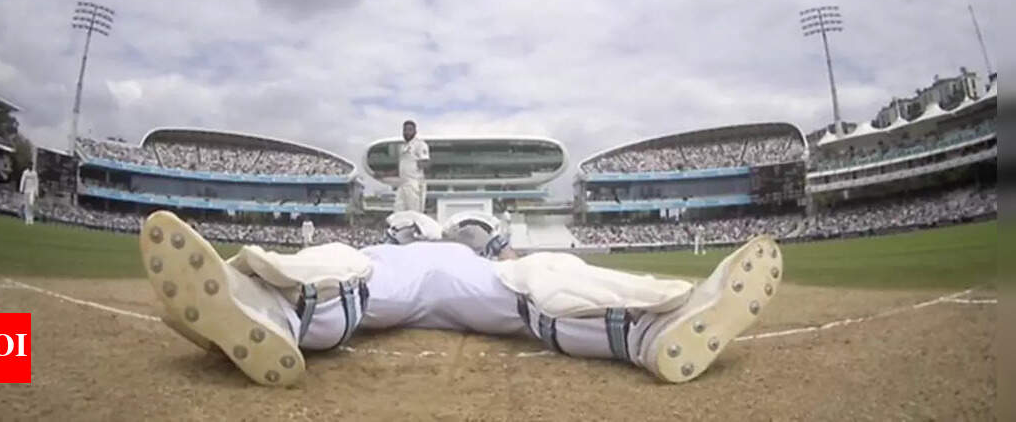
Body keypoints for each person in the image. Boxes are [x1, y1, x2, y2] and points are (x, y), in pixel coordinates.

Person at [139, 209, 783, 387]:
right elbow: (512, 266)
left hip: (407, 278)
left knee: (348, 274)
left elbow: (512, 264)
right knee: (540, 285)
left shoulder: (406, 245)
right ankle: (649, 330)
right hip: (457, 282)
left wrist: (501, 255)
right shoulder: (429, 243)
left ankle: (265, 308)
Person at [394, 120, 429, 213]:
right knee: (398, 212)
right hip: (402, 184)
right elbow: (402, 167)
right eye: (405, 130)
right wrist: (384, 174)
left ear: (415, 131)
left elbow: (425, 162)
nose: (407, 132)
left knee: (414, 213)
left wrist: (417, 166)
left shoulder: (420, 144)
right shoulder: (403, 147)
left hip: (414, 184)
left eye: (410, 130)